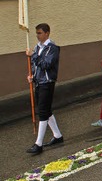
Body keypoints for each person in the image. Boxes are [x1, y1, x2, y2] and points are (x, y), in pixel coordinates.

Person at [25, 23, 63, 155]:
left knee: (42, 111)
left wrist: (33, 56)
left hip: (47, 82)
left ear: (47, 33)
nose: (37, 35)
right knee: (46, 110)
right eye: (37, 33)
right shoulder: (38, 47)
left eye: (40, 33)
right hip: (39, 82)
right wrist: (33, 76)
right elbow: (36, 66)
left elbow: (46, 64)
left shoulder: (52, 48)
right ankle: (58, 136)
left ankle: (38, 143)